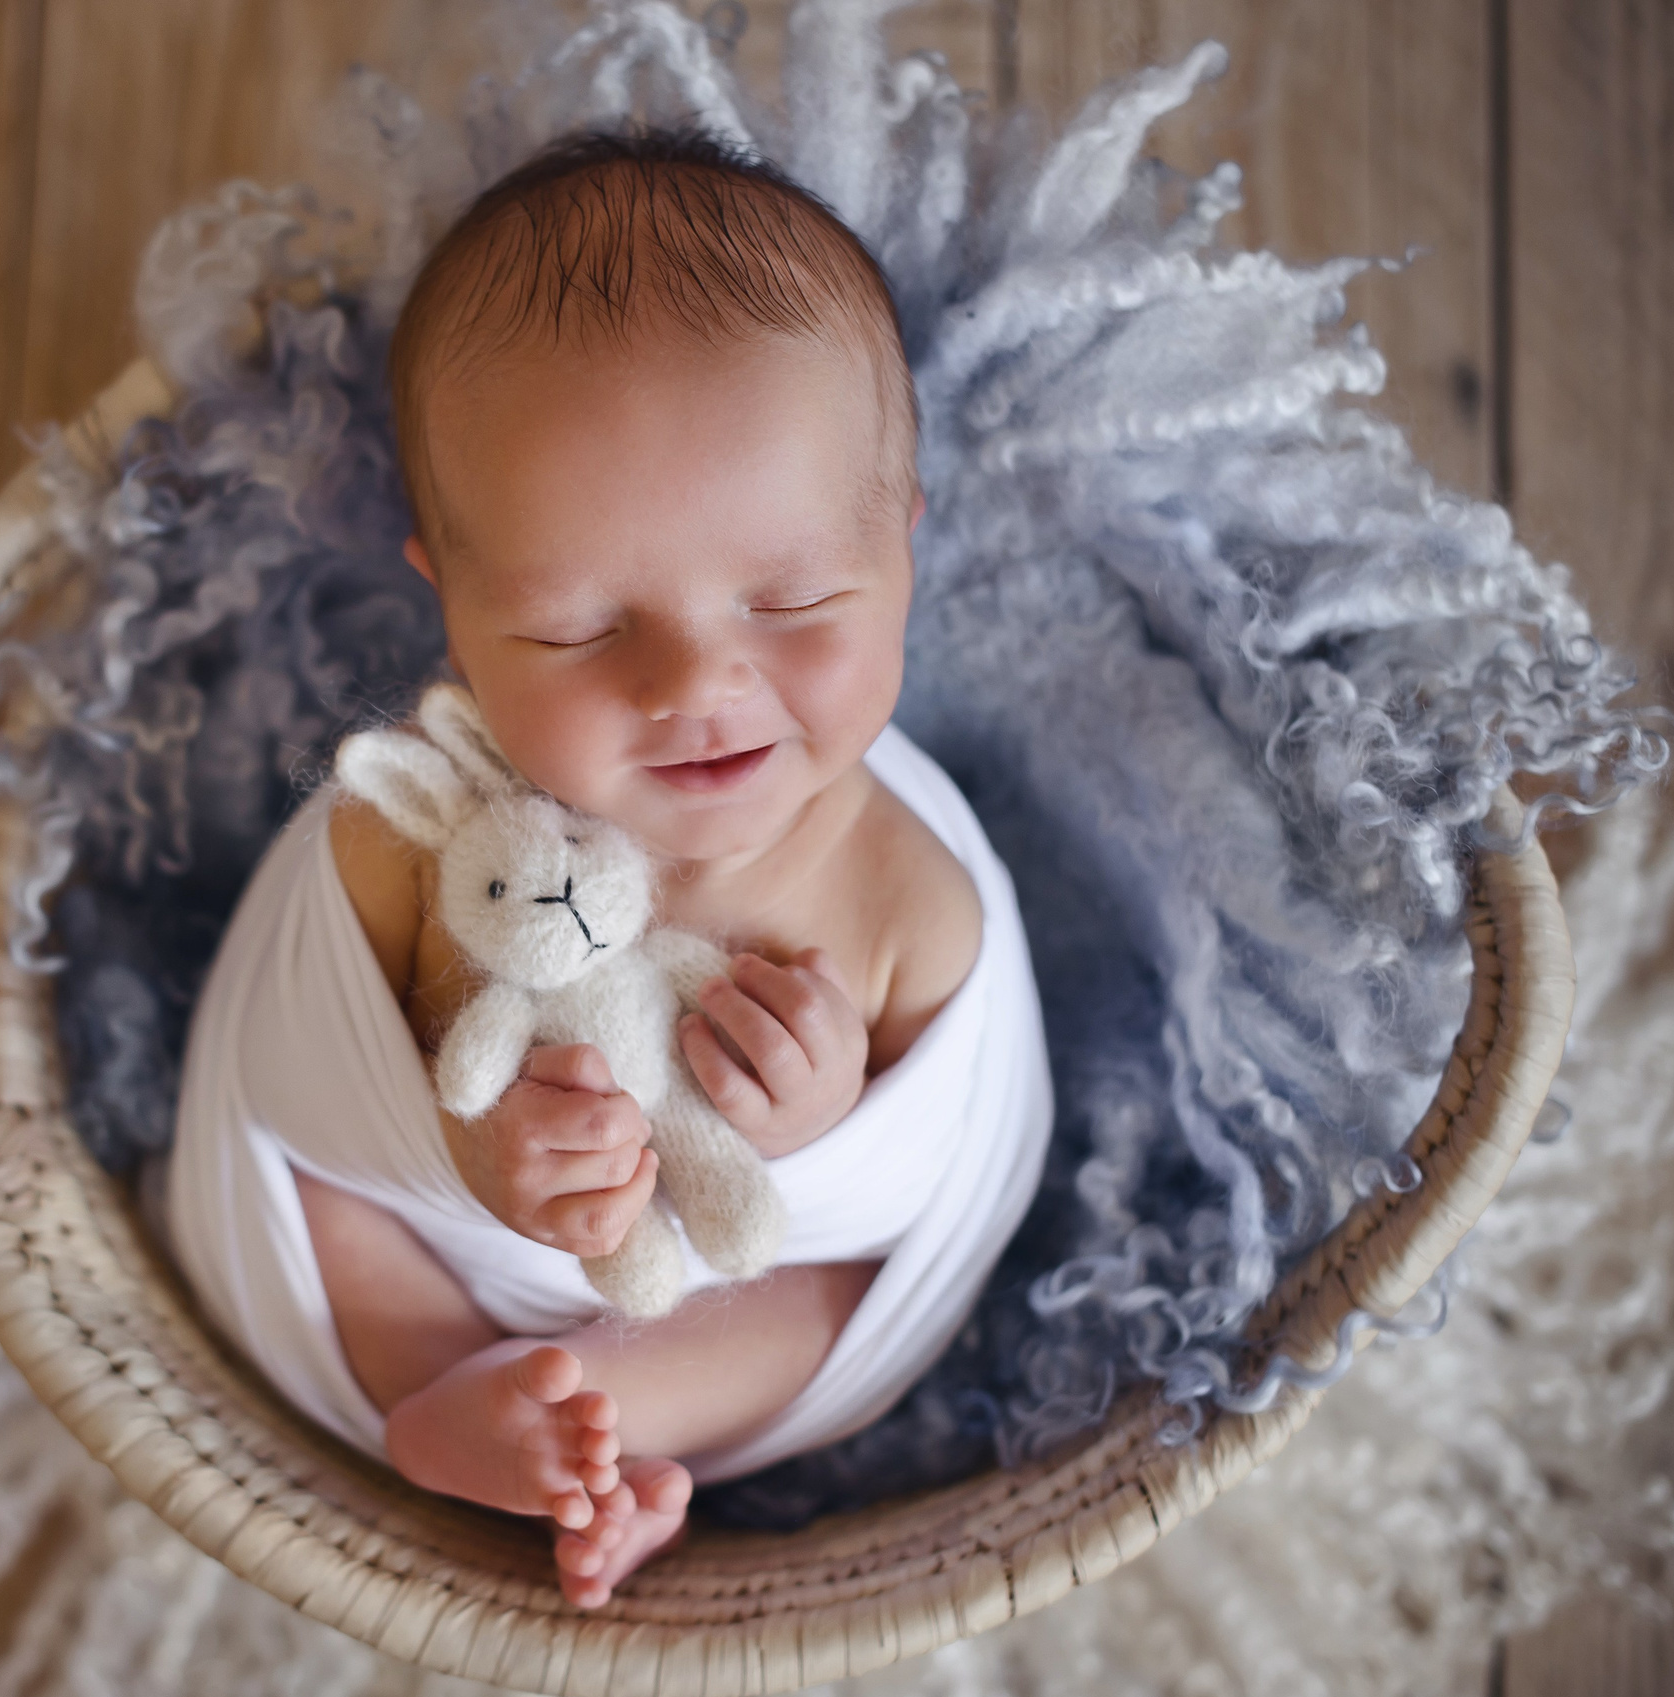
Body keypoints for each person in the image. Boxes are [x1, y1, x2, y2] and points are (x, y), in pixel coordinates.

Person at [165, 126, 1053, 1609]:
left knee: (824, 1301)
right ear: (449, 604)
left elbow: (916, 1171)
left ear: (904, 545)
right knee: (339, 1216)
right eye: (581, 629)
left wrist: (814, 1111)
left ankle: (594, 1425)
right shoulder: (414, 828)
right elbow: (313, 1070)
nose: (700, 681)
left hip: (719, 1291)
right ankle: (446, 1405)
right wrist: (483, 1156)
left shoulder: (907, 896)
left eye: (795, 598)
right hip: (432, 1258)